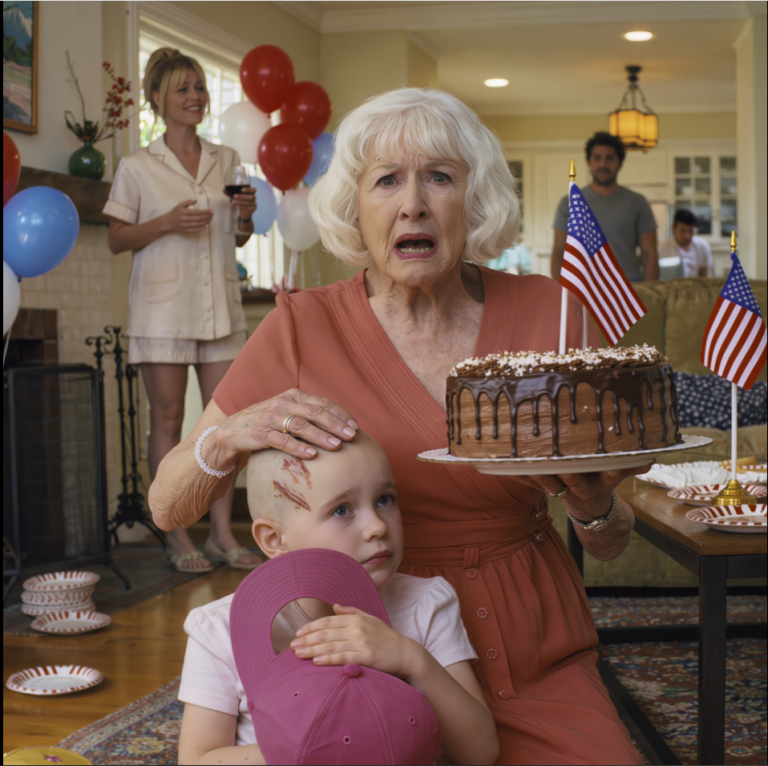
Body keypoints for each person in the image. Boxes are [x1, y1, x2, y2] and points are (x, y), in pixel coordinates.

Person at [150, 88, 647, 764]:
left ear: (473, 201)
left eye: (438, 177)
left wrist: (591, 504)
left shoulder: (552, 316)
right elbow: (166, 502)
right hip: (365, 641)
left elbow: (615, 542)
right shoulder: (302, 327)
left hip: (533, 640)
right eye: (387, 180)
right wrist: (233, 432)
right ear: (357, 207)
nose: (413, 202)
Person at [177, 432, 498, 766]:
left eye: (385, 500)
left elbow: (480, 752)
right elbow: (198, 759)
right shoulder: (219, 629)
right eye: (342, 510)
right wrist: (314, 747)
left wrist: (411, 659)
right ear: (274, 539)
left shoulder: (424, 605)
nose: (376, 527)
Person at [104, 48, 260, 573]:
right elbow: (116, 239)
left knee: (225, 426)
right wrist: (167, 221)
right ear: (157, 100)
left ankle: (221, 532)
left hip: (220, 307)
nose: (194, 96)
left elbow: (238, 240)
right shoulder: (137, 166)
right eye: (182, 89)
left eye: (198, 87)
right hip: (162, 311)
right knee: (168, 421)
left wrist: (245, 219)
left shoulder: (228, 159)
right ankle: (175, 534)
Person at [551, 131, 659, 282]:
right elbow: (559, 251)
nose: (603, 164)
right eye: (597, 158)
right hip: (582, 289)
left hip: (629, 288)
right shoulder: (570, 202)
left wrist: (650, 292)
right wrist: (560, 292)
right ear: (589, 162)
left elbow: (649, 253)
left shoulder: (638, 202)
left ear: (620, 163)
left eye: (609, 158)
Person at [659, 209, 713, 277]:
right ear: (674, 228)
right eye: (683, 231)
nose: (687, 236)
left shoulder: (702, 246)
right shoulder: (662, 248)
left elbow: (705, 275)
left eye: (691, 231)